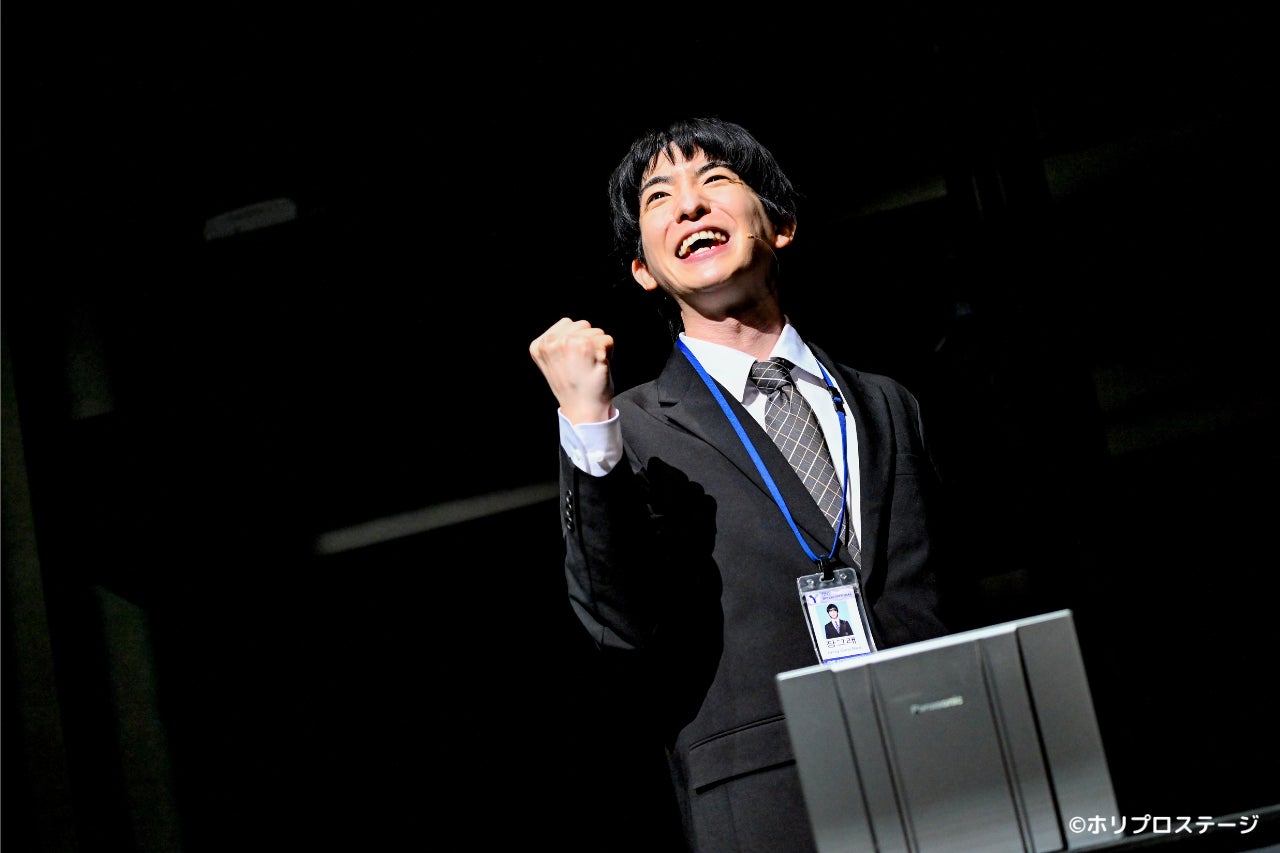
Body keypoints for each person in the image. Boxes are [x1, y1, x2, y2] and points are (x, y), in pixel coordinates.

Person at [528, 116, 951, 853]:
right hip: (771, 800)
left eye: (715, 180)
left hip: (945, 765)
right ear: (644, 269)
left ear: (780, 225)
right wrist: (588, 424)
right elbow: (617, 621)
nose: (690, 205)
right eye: (660, 197)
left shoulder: (887, 403)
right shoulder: (631, 429)